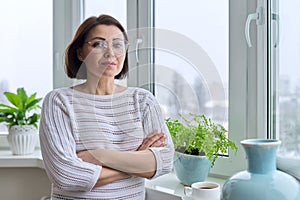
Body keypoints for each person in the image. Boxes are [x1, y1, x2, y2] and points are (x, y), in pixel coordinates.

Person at [39, 14, 174, 200]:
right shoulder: (59, 101)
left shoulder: (143, 101)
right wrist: (137, 160)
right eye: (98, 44)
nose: (110, 53)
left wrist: (99, 156)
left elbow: (165, 161)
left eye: (117, 44)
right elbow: (66, 176)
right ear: (80, 53)